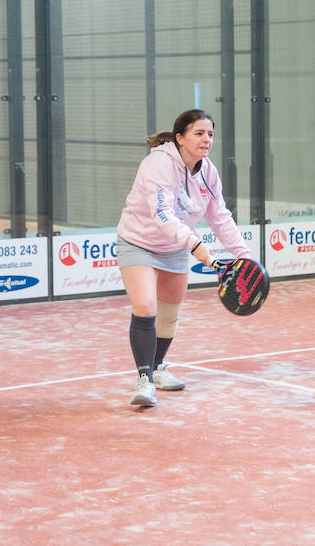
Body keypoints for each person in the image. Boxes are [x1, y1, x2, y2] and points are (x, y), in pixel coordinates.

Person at [116, 109, 250, 407]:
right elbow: (163, 215)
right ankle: (144, 380)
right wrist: (198, 248)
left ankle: (158, 367)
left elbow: (220, 216)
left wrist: (245, 256)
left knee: (168, 317)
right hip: (139, 242)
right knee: (145, 306)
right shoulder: (158, 164)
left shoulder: (208, 171)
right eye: (199, 133)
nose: (207, 140)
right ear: (180, 137)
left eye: (211, 134)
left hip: (176, 249)